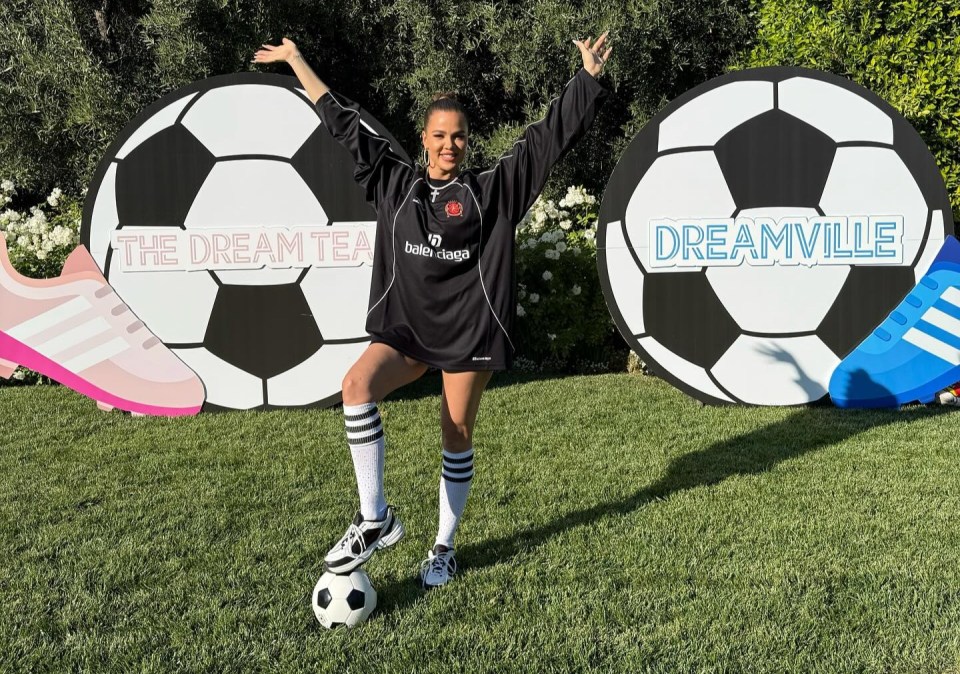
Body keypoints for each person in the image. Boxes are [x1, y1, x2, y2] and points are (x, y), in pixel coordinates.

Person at [253, 32, 611, 588]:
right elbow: (342, 122)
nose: (450, 145)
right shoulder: (396, 183)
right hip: (406, 330)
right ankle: (375, 518)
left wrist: (585, 79)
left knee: (456, 430)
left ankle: (442, 548)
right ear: (423, 140)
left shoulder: (493, 192)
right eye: (439, 136)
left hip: (466, 331)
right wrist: (299, 60)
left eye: (459, 137)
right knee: (356, 386)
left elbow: (545, 143)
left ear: (468, 143)